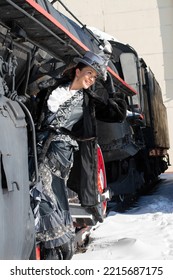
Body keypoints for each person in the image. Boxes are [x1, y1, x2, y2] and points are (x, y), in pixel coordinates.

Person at [30, 51, 127, 260]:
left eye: (94, 77)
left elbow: (117, 114)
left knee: (44, 192)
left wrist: (111, 90)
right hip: (40, 150)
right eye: (89, 73)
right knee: (47, 196)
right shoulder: (53, 91)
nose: (91, 79)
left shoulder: (88, 100)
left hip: (60, 153)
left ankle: (58, 240)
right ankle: (55, 248)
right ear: (77, 70)